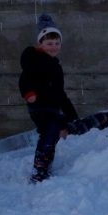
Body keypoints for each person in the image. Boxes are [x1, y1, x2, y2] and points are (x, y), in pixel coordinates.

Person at [19, 14, 80, 183]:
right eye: (49, 44)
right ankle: (40, 170)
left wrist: (71, 114)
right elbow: (25, 78)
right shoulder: (35, 60)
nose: (53, 47)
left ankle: (46, 164)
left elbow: (61, 93)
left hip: (53, 107)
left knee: (54, 132)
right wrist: (28, 93)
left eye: (56, 43)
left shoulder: (55, 66)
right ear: (41, 44)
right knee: (49, 132)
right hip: (38, 106)